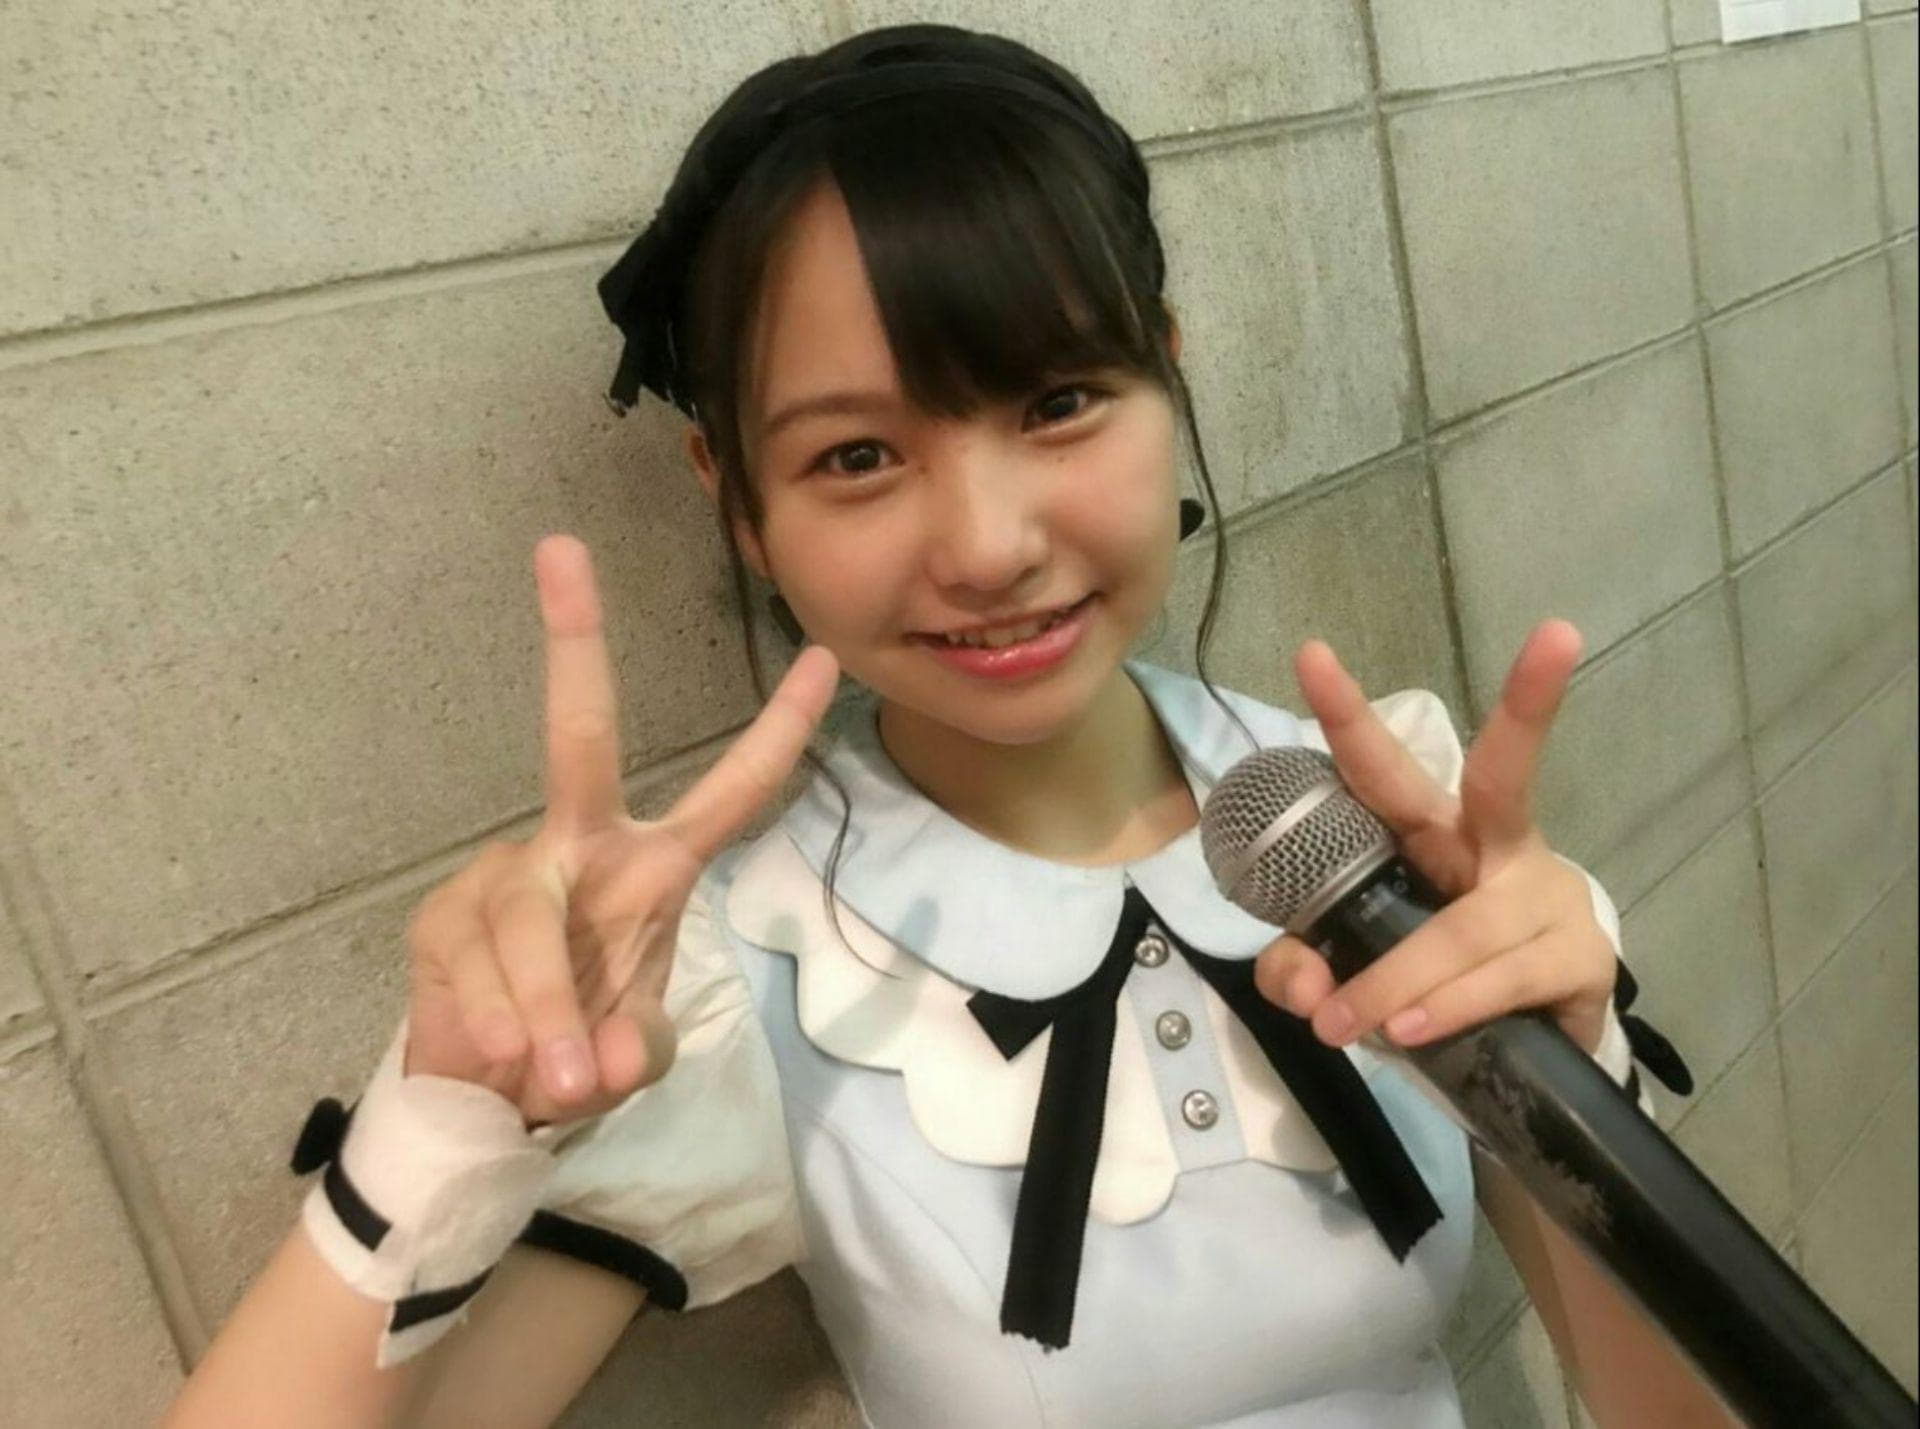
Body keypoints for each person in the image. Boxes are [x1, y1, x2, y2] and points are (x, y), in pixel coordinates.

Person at [163, 23, 1719, 1429]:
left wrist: (1576, 1074)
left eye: (1056, 402)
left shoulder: (1373, 825)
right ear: (737, 503)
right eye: (856, 456)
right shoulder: (747, 978)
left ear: (1167, 375)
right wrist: (445, 1123)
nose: (985, 545)